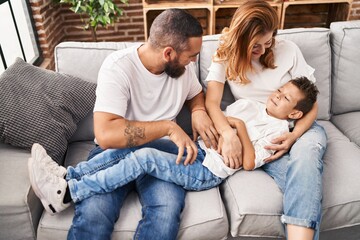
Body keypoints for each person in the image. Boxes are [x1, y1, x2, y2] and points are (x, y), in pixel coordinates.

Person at [28, 9, 219, 240]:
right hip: (114, 152)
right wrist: (169, 127)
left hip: (163, 155)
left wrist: (198, 109)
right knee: (94, 214)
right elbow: (106, 134)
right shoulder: (118, 67)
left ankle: (67, 178)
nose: (195, 61)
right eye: (192, 55)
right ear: (168, 53)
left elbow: (195, 94)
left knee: (166, 212)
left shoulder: (184, 70)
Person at [29, 77, 318, 208]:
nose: (276, 96)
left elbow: (249, 162)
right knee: (137, 144)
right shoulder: (251, 106)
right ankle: (70, 174)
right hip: (200, 150)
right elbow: (218, 121)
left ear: (294, 113)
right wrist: (223, 128)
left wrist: (238, 128)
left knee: (144, 160)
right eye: (279, 90)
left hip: (208, 172)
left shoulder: (279, 131)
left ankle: (69, 193)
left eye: (285, 98)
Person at [204, 1, 327, 240]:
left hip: (298, 128)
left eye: (268, 42)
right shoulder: (225, 55)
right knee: (305, 179)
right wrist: (229, 134)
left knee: (306, 155)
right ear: (240, 39)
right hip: (260, 137)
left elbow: (313, 105)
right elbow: (211, 103)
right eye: (255, 45)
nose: (262, 50)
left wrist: (293, 136)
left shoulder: (289, 50)